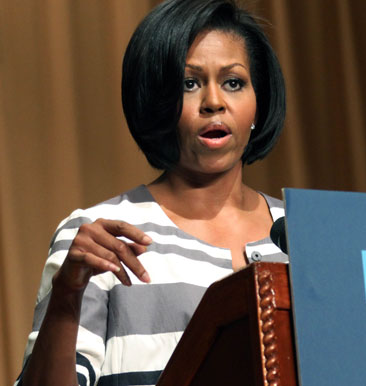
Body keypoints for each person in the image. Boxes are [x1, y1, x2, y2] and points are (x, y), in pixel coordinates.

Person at [16, 0, 287, 385]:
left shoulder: (303, 234)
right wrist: (65, 297)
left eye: (233, 82)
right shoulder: (100, 236)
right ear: (159, 103)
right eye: (189, 84)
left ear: (259, 102)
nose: (214, 102)